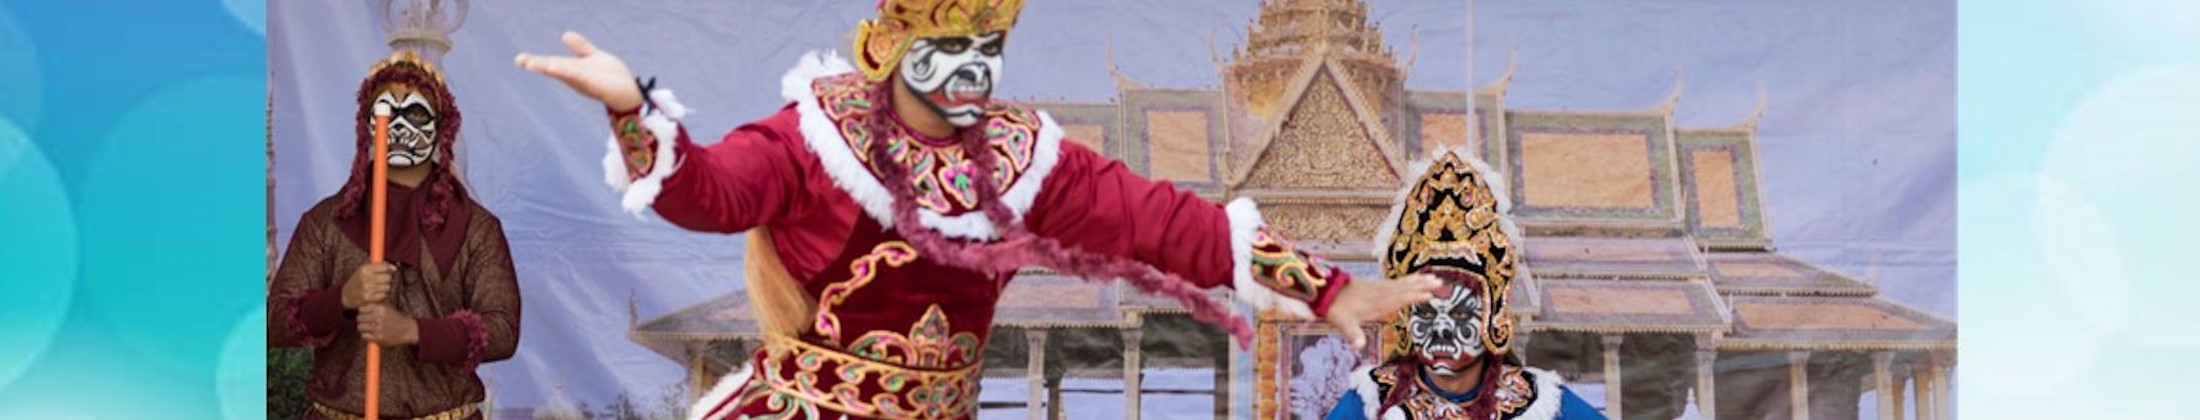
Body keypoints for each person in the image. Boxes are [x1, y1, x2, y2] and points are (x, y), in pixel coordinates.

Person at [514, 1, 1444, 418]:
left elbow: (1170, 224)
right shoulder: (816, 137)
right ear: (892, 44)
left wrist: (1329, 291)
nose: (971, 72)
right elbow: (709, 192)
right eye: (949, 48)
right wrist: (633, 109)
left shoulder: (1021, 158)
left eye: (987, 49)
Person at [269, 50, 521, 420]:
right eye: (386, 113)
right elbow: (275, 322)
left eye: (415, 114)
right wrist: (343, 299)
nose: (400, 126)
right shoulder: (325, 222)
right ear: (367, 125)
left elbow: (502, 330)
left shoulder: (476, 229)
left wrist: (412, 331)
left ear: (441, 125)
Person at [1326, 150, 1603, 420]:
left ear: (1492, 316)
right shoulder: (1372, 401)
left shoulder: (1536, 403)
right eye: (1425, 313)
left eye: (1459, 313)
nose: (1441, 328)